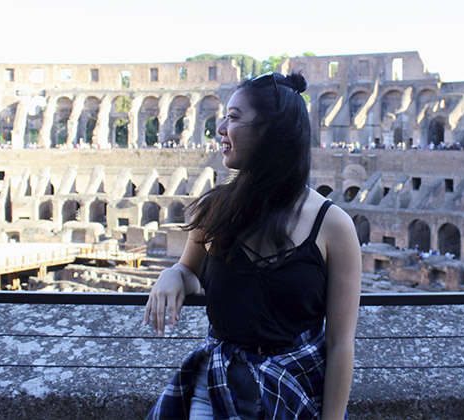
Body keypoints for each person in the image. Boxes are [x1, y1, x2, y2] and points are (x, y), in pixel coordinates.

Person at [143, 71, 362, 420]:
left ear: (271, 131)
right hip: (218, 385)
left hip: (298, 386)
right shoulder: (213, 209)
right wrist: (173, 273)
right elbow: (189, 269)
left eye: (233, 117)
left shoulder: (335, 227)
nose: (220, 130)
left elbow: (340, 343)